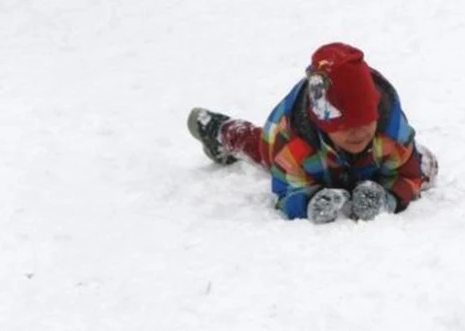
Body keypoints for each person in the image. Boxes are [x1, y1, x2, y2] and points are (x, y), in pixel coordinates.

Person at [186, 42, 437, 223]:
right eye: (345, 126)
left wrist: (389, 198)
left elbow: (409, 175)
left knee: (423, 164)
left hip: (371, 161)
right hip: (300, 153)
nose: (359, 133)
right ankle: (221, 132)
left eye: (365, 121)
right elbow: (285, 193)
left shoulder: (390, 133)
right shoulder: (293, 145)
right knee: (261, 148)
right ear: (323, 124)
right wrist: (308, 203)